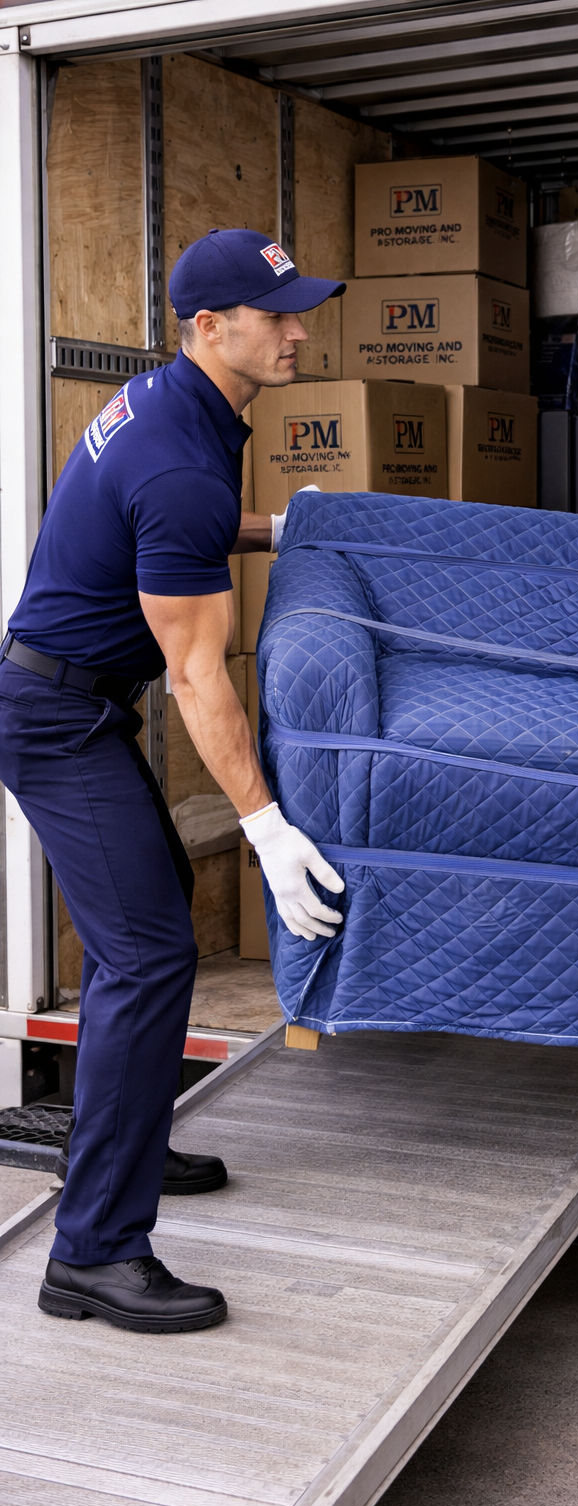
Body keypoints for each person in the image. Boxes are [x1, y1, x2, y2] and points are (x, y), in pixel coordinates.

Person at [0, 229, 346, 1333]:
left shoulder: (170, 406)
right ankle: (92, 1254)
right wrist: (268, 828)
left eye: (298, 309)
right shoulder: (182, 459)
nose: (299, 331)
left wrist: (281, 528)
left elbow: (167, 534)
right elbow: (201, 677)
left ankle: (130, 1145)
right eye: (276, 315)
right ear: (208, 328)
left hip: (70, 698)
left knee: (144, 949)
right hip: (55, 719)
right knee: (147, 954)